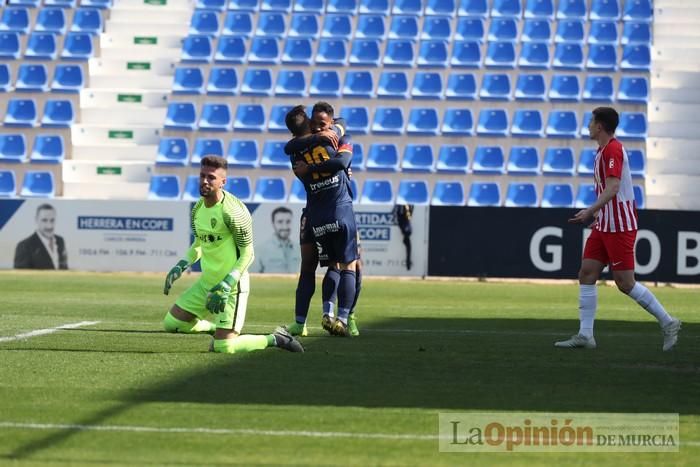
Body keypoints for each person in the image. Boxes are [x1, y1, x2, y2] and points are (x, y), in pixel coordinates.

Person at [554, 107, 681, 351]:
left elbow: (612, 188)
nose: (589, 125)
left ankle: (668, 322)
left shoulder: (612, 149)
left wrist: (590, 211)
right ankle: (585, 335)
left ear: (600, 126)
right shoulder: (602, 150)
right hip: (605, 224)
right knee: (587, 272)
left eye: (592, 121)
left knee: (625, 283)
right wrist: (597, 215)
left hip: (619, 225)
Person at [162, 155, 303, 354]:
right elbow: (199, 243)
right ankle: (216, 328)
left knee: (223, 348)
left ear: (223, 182)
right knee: (171, 324)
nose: (204, 181)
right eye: (202, 175)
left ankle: (276, 339)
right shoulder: (198, 209)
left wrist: (227, 283)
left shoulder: (233, 212)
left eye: (211, 177)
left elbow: (248, 253)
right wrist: (181, 264)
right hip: (206, 284)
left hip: (231, 288)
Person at [284, 103, 363, 337]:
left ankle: (315, 318)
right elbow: (341, 160)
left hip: (315, 214)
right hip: (338, 209)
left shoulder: (297, 156)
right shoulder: (334, 141)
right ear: (308, 123)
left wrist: (334, 129)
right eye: (314, 123)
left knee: (324, 265)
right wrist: (335, 131)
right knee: (349, 264)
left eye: (323, 124)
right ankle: (344, 317)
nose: (319, 128)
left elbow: (290, 146)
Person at [14, 203, 68, 270]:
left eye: (52, 220)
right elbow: (20, 276)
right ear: (36, 220)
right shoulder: (24, 246)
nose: (49, 225)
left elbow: (64, 269)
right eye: (44, 220)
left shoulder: (60, 241)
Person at [252, 206, 301, 273]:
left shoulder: (300, 249)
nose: (285, 226)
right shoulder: (259, 250)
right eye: (280, 222)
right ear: (273, 223)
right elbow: (253, 277)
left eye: (288, 222)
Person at [393, 204, 414, 271]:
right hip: (404, 224)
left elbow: (409, 215)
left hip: (405, 224)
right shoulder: (400, 207)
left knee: (408, 245)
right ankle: (408, 264)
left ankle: (408, 264)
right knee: (408, 244)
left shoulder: (407, 207)